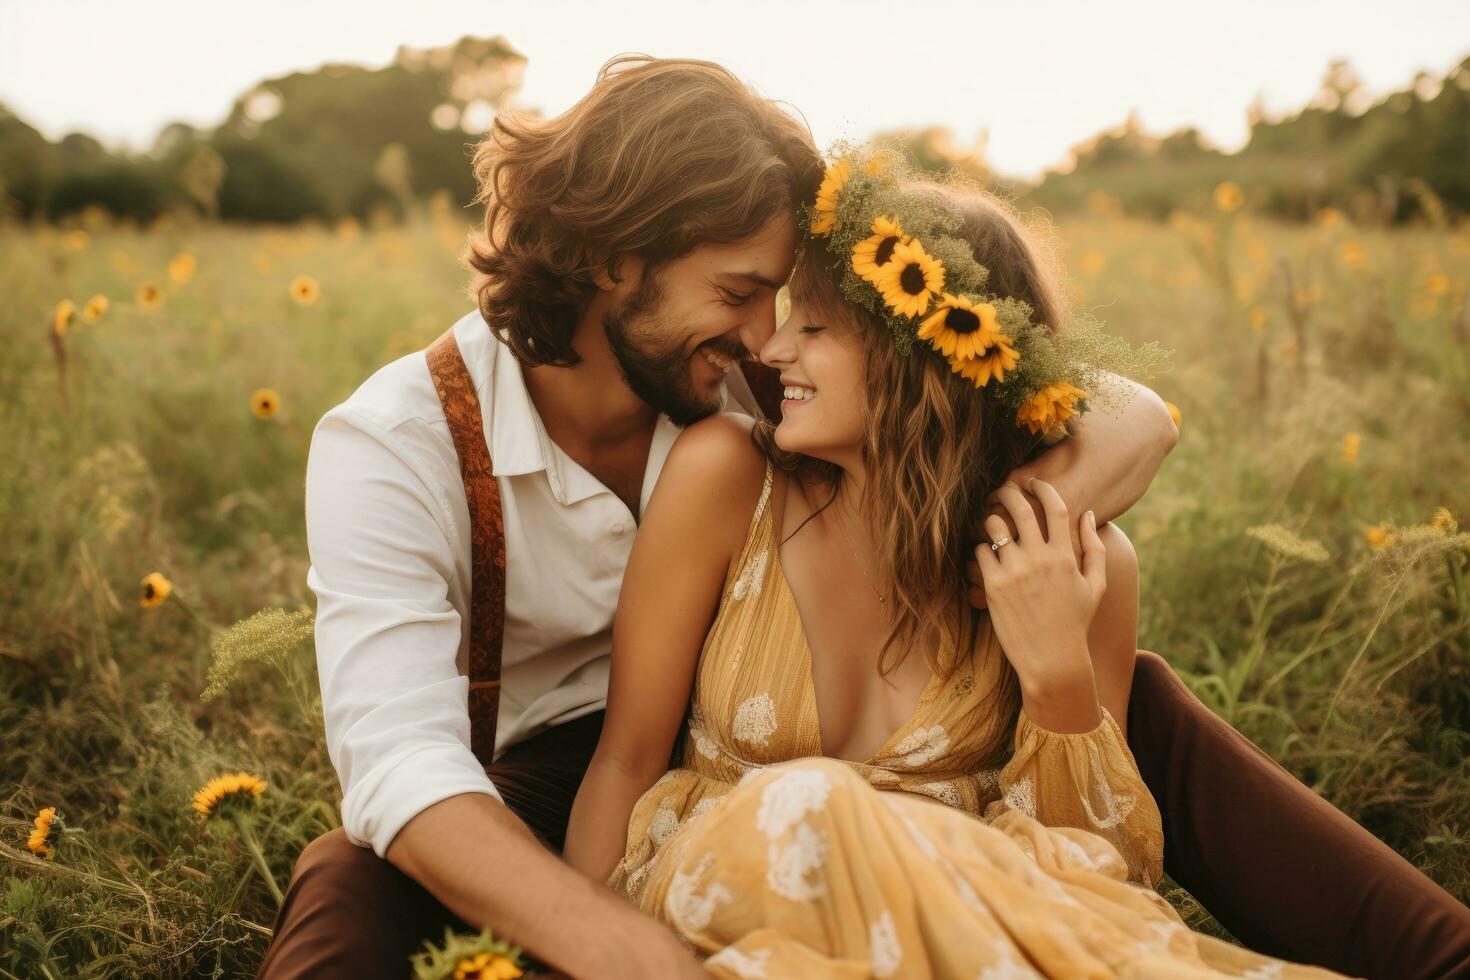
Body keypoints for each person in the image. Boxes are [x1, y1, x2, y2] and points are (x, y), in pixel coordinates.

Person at [256, 58, 1470, 980]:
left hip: (856, 757)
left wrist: (1005, 545)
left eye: (791, 305)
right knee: (350, 875)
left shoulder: (741, 390)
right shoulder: (399, 444)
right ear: (612, 257)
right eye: (740, 294)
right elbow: (408, 770)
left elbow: (1100, 400)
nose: (765, 336)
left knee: (1123, 690)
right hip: (530, 792)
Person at [561, 158, 1468, 977]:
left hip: (910, 955)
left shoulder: (1080, 566)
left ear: (918, 358)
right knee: (812, 800)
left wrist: (1055, 672)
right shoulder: (728, 480)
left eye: (817, 326)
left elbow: (1093, 876)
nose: (771, 348)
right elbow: (625, 760)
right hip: (712, 895)